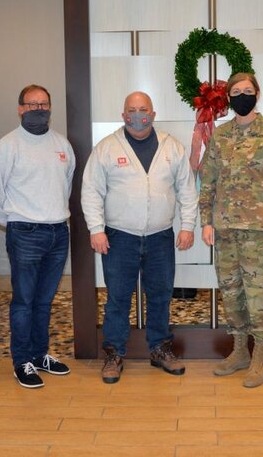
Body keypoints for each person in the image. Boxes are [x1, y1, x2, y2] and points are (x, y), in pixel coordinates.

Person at [82, 91, 198, 384]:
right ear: (123, 115)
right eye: (131, 110)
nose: (137, 115)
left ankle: (160, 349)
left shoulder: (172, 147)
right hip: (119, 237)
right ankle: (114, 354)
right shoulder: (107, 148)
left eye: (143, 109)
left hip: (160, 237)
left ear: (153, 114)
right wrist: (96, 229)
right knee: (118, 299)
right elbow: (91, 190)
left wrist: (187, 226)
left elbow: (186, 189)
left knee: (160, 297)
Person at [199, 72, 263, 388]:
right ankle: (240, 350)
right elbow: (208, 180)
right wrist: (206, 221)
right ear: (228, 97)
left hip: (260, 233)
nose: (242, 95)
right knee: (231, 294)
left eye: (248, 90)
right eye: (236, 91)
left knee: (258, 297)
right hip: (225, 230)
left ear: (258, 93)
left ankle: (260, 355)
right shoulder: (220, 135)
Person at [0, 84, 75, 389]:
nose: (39, 109)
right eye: (32, 105)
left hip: (58, 233)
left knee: (45, 301)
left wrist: (52, 215)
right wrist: (16, 223)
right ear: (20, 108)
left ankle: (39, 354)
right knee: (23, 302)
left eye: (44, 104)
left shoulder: (62, 145)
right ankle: (21, 361)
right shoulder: (6, 147)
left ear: (51, 107)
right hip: (25, 233)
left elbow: (65, 186)